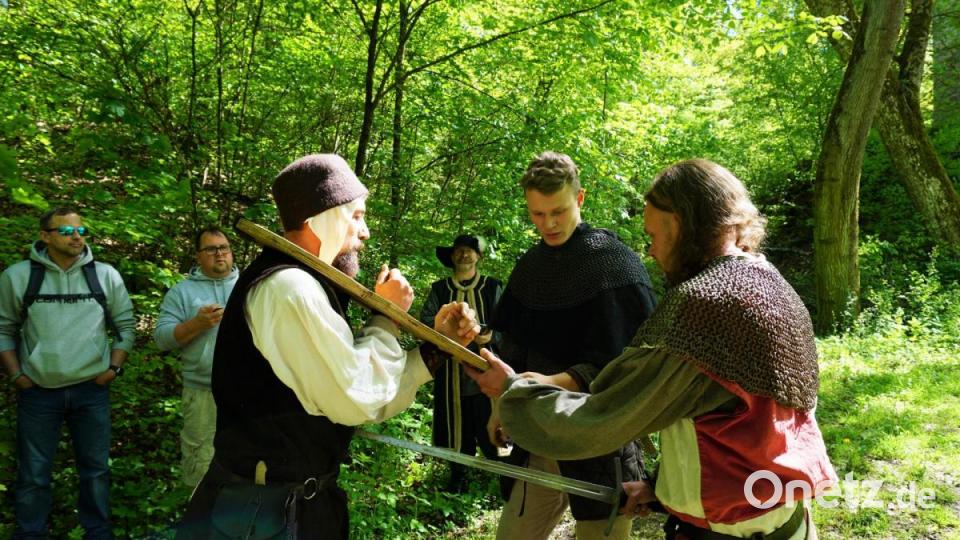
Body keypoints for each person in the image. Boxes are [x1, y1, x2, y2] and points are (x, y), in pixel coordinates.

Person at [470, 159, 837, 539]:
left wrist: (512, 391)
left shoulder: (709, 303)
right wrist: (662, 488)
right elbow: (728, 422)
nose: (650, 251)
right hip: (781, 520)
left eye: (653, 236)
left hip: (734, 530)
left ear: (679, 224)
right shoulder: (766, 280)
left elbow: (606, 415)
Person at [176, 153, 480, 539]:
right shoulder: (288, 289)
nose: (365, 231)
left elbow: (348, 389)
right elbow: (355, 398)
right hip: (258, 517)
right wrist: (386, 315)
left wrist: (438, 348)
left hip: (292, 509)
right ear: (321, 217)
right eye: (356, 216)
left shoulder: (300, 284)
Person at [486, 151, 657, 540]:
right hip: (540, 434)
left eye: (558, 211)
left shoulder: (614, 263)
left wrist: (553, 380)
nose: (548, 223)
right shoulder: (530, 267)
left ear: (579, 199)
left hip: (600, 437)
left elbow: (631, 364)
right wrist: (500, 409)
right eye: (537, 214)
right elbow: (510, 351)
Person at [0, 207, 136, 539]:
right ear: (44, 236)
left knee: (96, 472)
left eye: (81, 230)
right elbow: (3, 329)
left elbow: (126, 328)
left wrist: (113, 368)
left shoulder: (104, 275)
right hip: (38, 392)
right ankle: (30, 534)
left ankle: (98, 532)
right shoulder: (17, 277)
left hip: (92, 390)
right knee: (33, 474)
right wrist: (17, 375)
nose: (77, 237)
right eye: (66, 231)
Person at [154, 226, 239, 489]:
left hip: (247, 393)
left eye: (224, 247)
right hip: (203, 392)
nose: (219, 254)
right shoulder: (181, 293)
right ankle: (199, 519)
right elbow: (162, 339)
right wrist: (197, 324)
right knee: (201, 465)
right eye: (211, 249)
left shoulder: (251, 285)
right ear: (198, 256)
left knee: (246, 463)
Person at [419, 234, 502, 493]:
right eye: (459, 250)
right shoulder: (439, 289)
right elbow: (426, 322)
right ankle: (458, 478)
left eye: (470, 250)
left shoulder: (492, 287)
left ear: (479, 256)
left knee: (496, 426)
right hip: (451, 375)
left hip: (488, 375)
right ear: (452, 257)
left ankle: (507, 477)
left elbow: (507, 326)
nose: (464, 254)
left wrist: (484, 334)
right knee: (457, 428)